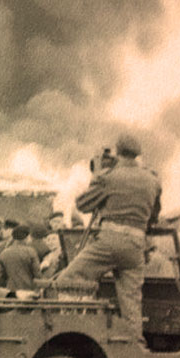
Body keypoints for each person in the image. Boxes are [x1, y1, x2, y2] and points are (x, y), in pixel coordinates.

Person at [54, 134, 161, 346]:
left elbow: (83, 204)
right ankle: (135, 347)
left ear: (118, 152)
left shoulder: (109, 177)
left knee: (67, 280)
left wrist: (97, 176)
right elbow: (154, 216)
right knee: (131, 302)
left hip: (110, 241)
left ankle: (72, 332)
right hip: (136, 246)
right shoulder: (152, 180)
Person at [0, 224, 41, 290]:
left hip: (11, 290)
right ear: (27, 237)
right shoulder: (31, 251)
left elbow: (0, 278)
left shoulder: (3, 253)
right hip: (29, 290)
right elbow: (37, 274)